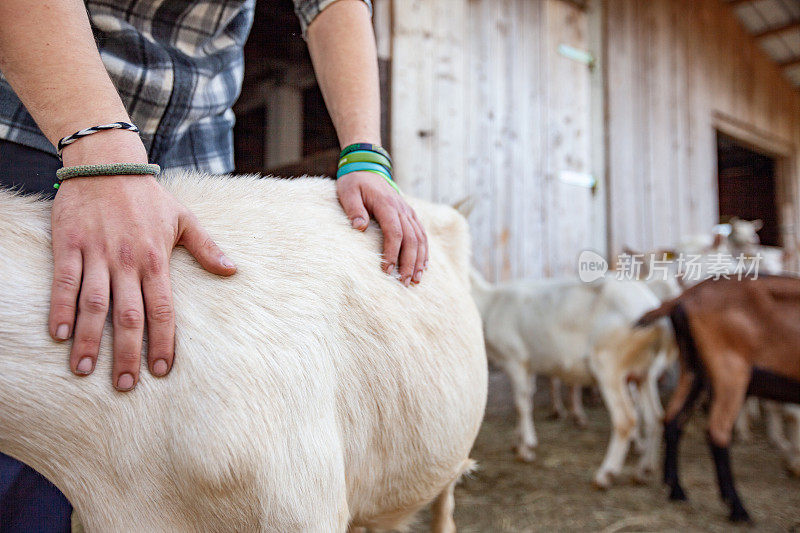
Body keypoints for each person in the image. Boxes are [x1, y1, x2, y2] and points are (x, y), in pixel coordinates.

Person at [0, 0, 428, 530]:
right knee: (32, 436)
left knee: (170, 427)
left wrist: (364, 152)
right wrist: (99, 152)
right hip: (45, 123)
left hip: (196, 154)